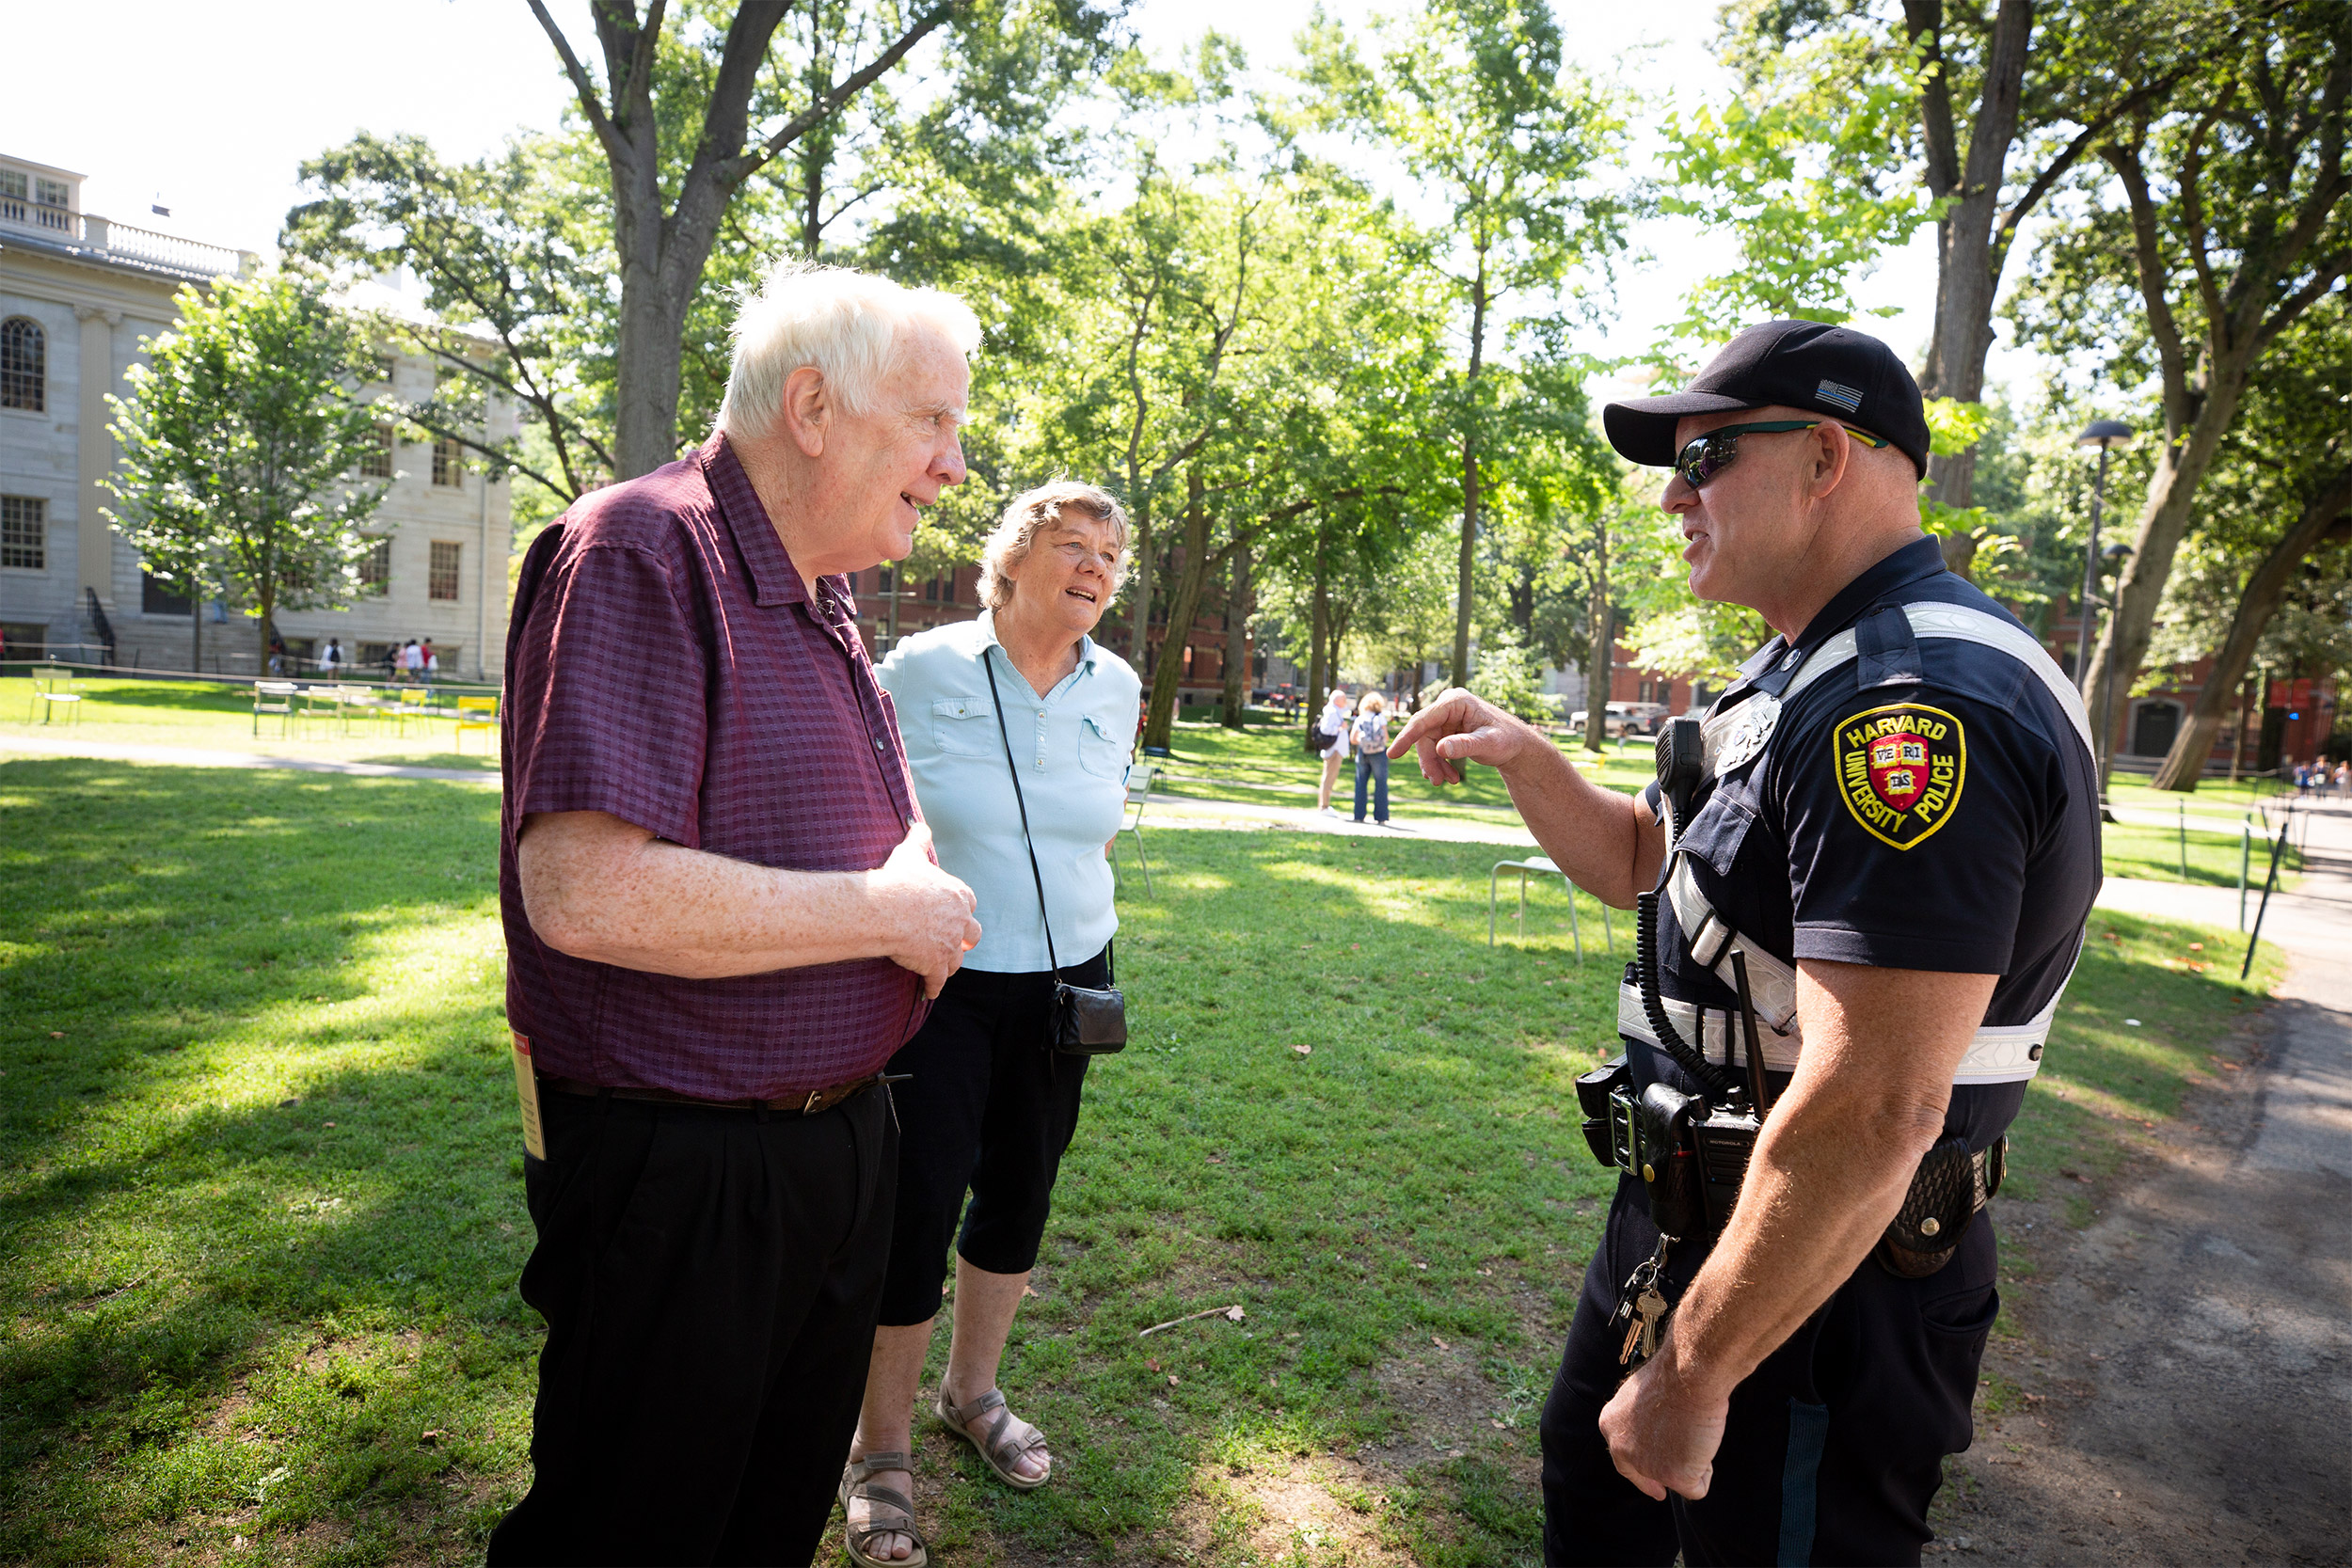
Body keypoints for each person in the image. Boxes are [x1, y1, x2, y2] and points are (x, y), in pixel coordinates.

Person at [1391, 320, 2101, 1566]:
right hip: (1682, 1225)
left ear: (1828, 455)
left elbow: (1879, 1101)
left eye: (1706, 456)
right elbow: (1646, 866)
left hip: (1815, 1281)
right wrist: (1524, 753)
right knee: (1591, 1494)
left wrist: (1699, 1363)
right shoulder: (1795, 668)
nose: (1673, 493)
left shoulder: (1910, 703)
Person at [485, 261, 986, 1566]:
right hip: (686, 1171)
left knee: (762, 1520)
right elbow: (585, 891)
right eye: (931, 421)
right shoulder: (644, 549)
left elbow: (870, 810)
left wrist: (909, 875)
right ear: (814, 406)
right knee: (635, 1528)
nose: (954, 463)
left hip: (833, 1152)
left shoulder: (821, 588)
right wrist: (882, 911)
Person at [848, 481, 1140, 1566]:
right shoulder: (918, 668)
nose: (1097, 568)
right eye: (1074, 545)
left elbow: (1097, 829)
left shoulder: (1117, 684)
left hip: (1068, 980)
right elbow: (855, 799)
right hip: (942, 980)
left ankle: (970, 1394)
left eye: (1112, 556)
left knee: (1022, 1189)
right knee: (917, 1204)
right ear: (1011, 558)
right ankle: (877, 1451)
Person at [1351, 690, 1392, 824]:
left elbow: (1353, 739)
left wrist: (1365, 742)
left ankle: (1359, 815)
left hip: (1363, 753)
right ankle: (1381, 817)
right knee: (1381, 784)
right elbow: (1385, 737)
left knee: (1361, 783)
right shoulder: (1380, 717)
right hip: (1379, 754)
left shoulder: (1360, 718)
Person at [1314, 687, 1352, 815]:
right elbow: (1325, 729)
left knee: (1329, 777)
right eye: (1343, 699)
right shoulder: (1331, 712)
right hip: (1333, 749)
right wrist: (1339, 728)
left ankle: (1324, 805)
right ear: (1337, 700)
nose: (1345, 701)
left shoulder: (1335, 711)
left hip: (1336, 749)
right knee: (1328, 778)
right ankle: (1324, 806)